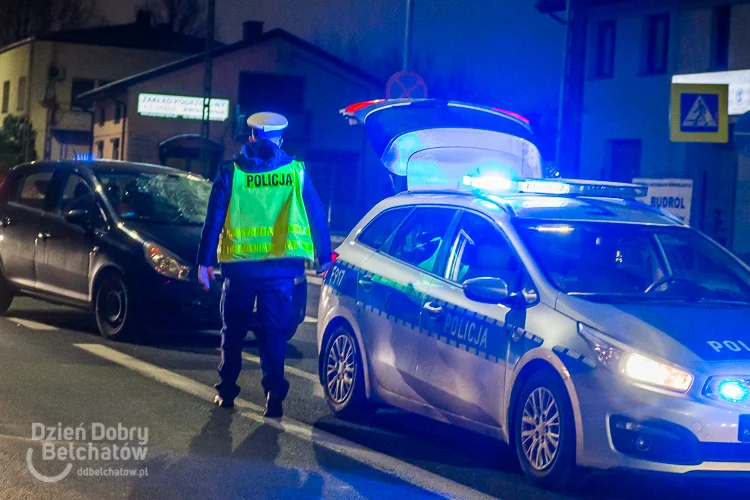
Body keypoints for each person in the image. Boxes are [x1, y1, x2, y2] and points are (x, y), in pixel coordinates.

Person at [197, 111, 332, 417]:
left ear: (252, 137)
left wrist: (204, 262)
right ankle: (273, 394)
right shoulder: (296, 172)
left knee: (233, 331)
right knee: (274, 332)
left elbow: (214, 217)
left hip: (240, 268)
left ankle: (227, 392)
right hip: (281, 271)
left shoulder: (231, 172)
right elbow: (316, 215)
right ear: (280, 140)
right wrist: (324, 259)